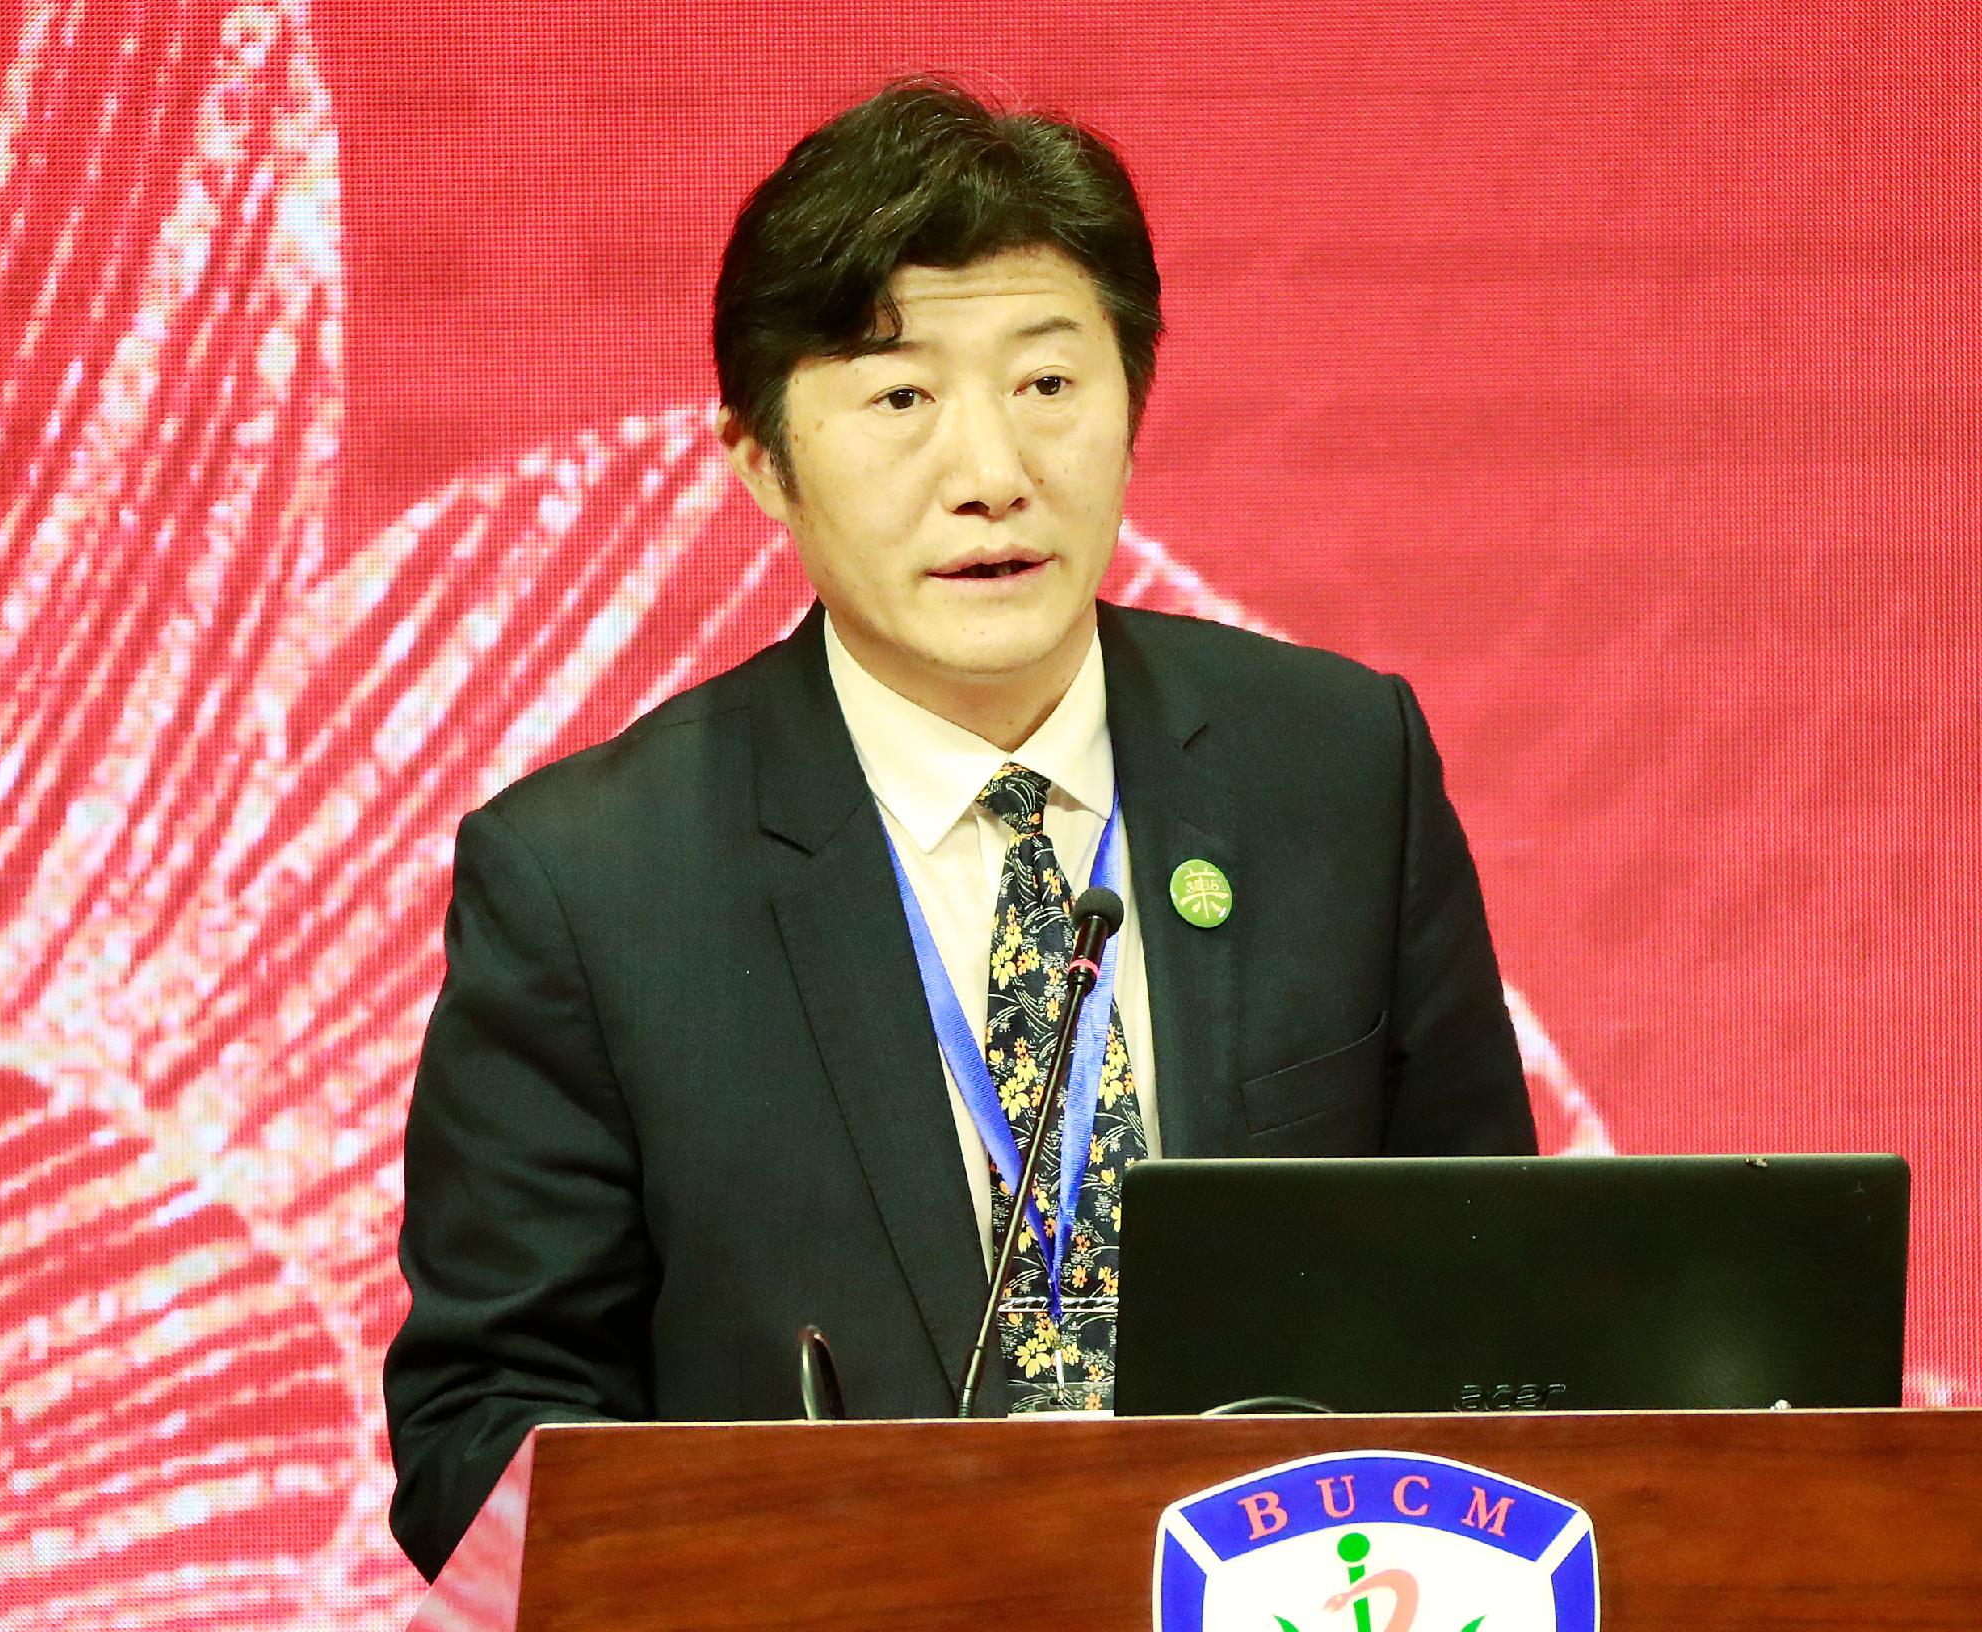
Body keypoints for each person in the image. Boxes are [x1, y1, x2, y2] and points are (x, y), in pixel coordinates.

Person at [382, 78, 1536, 1581]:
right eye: (901, 399)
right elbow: (481, 1427)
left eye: (1048, 384)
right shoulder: (593, 881)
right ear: (759, 460)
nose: (992, 475)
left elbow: (1507, 1304)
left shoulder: (1336, 769)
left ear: (1133, 407)